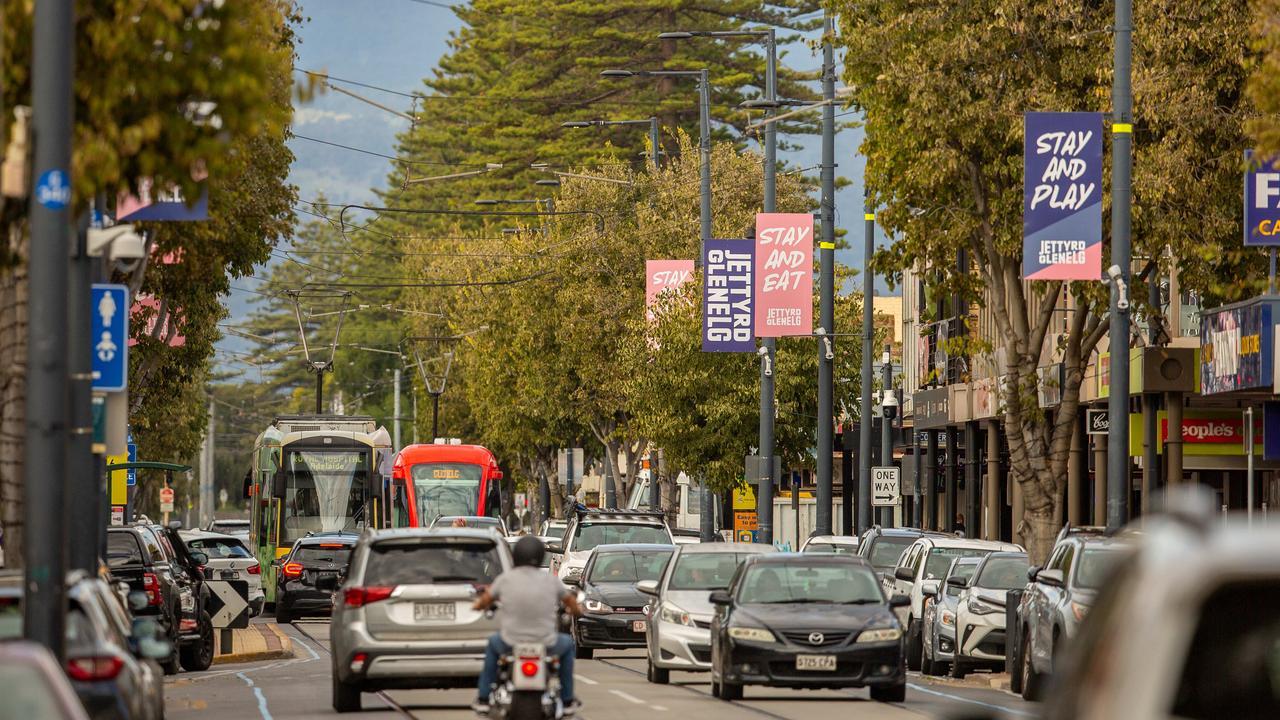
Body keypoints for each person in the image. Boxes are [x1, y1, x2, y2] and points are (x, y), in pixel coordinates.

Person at [473, 536, 582, 715]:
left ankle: (483, 698)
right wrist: (577, 612)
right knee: (568, 645)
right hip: (546, 642)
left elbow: (485, 600)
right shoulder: (550, 580)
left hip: (510, 641)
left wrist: (478, 606)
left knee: (492, 643)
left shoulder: (506, 579)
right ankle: (568, 699)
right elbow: (570, 600)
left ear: (516, 556)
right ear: (540, 556)